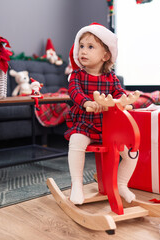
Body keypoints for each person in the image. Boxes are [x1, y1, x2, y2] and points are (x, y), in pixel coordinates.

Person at [64, 23, 138, 205]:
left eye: (90, 47)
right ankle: (77, 185)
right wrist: (87, 102)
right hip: (85, 123)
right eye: (81, 46)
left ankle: (121, 184)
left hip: (108, 127)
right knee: (76, 142)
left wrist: (124, 101)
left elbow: (119, 92)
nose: (83, 51)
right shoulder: (77, 75)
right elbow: (74, 92)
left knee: (132, 152)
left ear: (105, 55)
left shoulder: (111, 77)